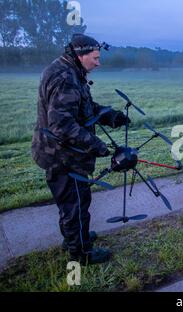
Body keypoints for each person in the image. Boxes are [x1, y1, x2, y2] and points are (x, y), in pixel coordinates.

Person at [32, 34, 130, 265]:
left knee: (73, 201)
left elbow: (83, 108)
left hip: (60, 153)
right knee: (75, 203)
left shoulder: (70, 72)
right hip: (63, 156)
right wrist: (98, 146)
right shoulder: (65, 78)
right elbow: (62, 125)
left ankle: (74, 238)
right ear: (80, 55)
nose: (99, 63)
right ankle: (81, 253)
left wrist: (110, 116)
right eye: (95, 58)